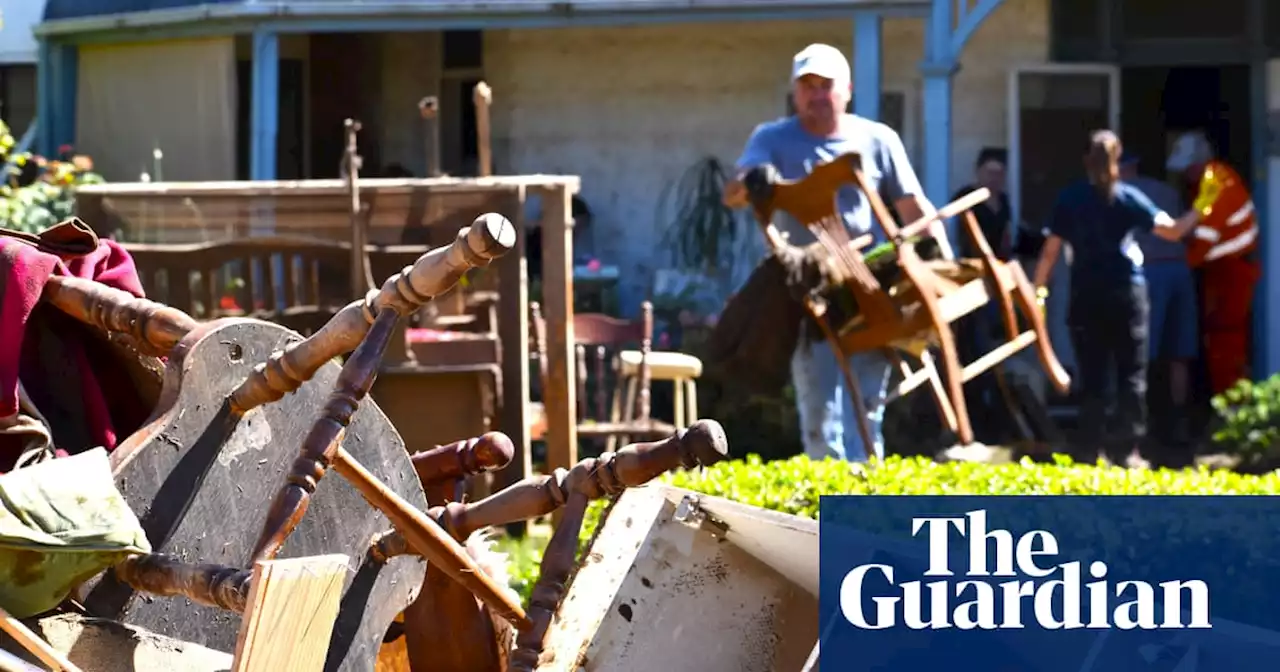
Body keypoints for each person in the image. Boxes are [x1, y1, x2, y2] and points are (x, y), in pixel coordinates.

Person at [723, 43, 951, 462]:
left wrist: (939, 254)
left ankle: (866, 505)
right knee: (820, 412)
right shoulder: (771, 139)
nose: (816, 94)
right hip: (811, 293)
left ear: (846, 89)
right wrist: (753, 180)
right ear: (795, 92)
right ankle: (824, 509)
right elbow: (734, 194)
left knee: (867, 410)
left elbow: (912, 206)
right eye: (807, 86)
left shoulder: (877, 139)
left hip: (870, 286)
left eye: (825, 85)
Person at [1032, 131, 1200, 468]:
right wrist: (1202, 208)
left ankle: (1089, 448)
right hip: (1127, 293)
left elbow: (1050, 253)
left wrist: (1038, 291)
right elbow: (1173, 231)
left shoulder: (1070, 198)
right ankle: (1126, 452)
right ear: (1118, 158)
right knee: (1130, 373)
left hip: (1086, 293)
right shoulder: (1126, 197)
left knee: (1093, 373)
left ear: (1085, 161)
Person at [1165, 130, 1261, 395]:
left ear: (1198, 164)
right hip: (1221, 271)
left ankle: (1231, 411)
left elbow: (1204, 240)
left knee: (1225, 341)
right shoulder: (1214, 180)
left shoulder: (1215, 184)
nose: (1184, 176)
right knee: (1218, 339)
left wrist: (1178, 266)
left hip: (1232, 273)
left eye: (1187, 169)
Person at [1120, 152, 1197, 445]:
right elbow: (1185, 232)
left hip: (1151, 271)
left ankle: (1146, 423)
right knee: (1180, 351)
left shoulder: (1125, 195)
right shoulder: (1167, 191)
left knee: (1144, 349)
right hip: (1180, 269)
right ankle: (1179, 421)